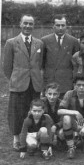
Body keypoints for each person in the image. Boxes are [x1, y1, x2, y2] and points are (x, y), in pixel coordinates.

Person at [3, 14, 43, 151]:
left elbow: (40, 63)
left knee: (34, 112)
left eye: (30, 24)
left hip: (35, 84)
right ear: (20, 24)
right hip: (18, 84)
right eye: (25, 23)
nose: (27, 26)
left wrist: (34, 77)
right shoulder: (11, 42)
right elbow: (7, 67)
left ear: (34, 26)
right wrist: (16, 78)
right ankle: (16, 138)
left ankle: (31, 137)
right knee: (17, 112)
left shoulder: (39, 43)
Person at [57, 73, 84, 159]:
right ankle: (71, 147)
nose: (81, 87)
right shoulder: (69, 94)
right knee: (64, 123)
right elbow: (59, 111)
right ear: (74, 85)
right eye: (78, 85)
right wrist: (75, 112)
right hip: (74, 124)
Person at [42, 14, 80, 98]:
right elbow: (42, 63)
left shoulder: (73, 41)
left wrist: (74, 82)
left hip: (66, 82)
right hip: (50, 81)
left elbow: (76, 65)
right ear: (53, 26)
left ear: (66, 26)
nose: (60, 28)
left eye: (63, 25)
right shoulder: (45, 41)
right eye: (58, 25)